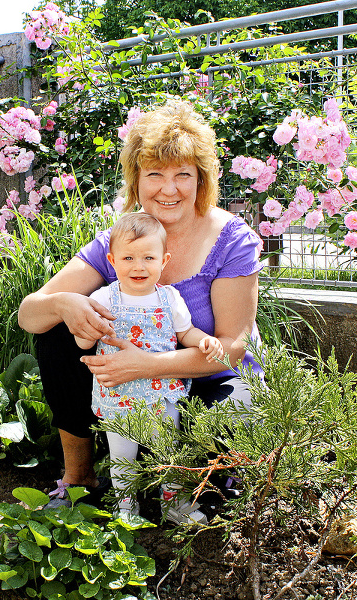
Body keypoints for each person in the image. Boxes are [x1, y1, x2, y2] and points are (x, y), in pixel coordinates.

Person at [17, 100, 263, 511]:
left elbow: (232, 348)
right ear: (136, 180)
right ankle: (80, 477)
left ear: (202, 180)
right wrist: (64, 303)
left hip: (211, 380)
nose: (169, 189)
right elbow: (30, 314)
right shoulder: (121, 240)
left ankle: (186, 473)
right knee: (57, 331)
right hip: (130, 386)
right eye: (155, 175)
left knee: (215, 498)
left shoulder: (231, 239)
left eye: (183, 174)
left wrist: (148, 364)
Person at [78, 211, 223, 524]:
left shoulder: (169, 298)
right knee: (123, 459)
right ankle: (126, 510)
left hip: (161, 393)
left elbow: (185, 332)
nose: (138, 266)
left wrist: (204, 341)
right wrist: (83, 333)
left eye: (148, 257)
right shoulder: (104, 297)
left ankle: (174, 505)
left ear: (164, 260)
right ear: (112, 260)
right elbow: (85, 340)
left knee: (168, 452)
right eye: (128, 257)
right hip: (119, 397)